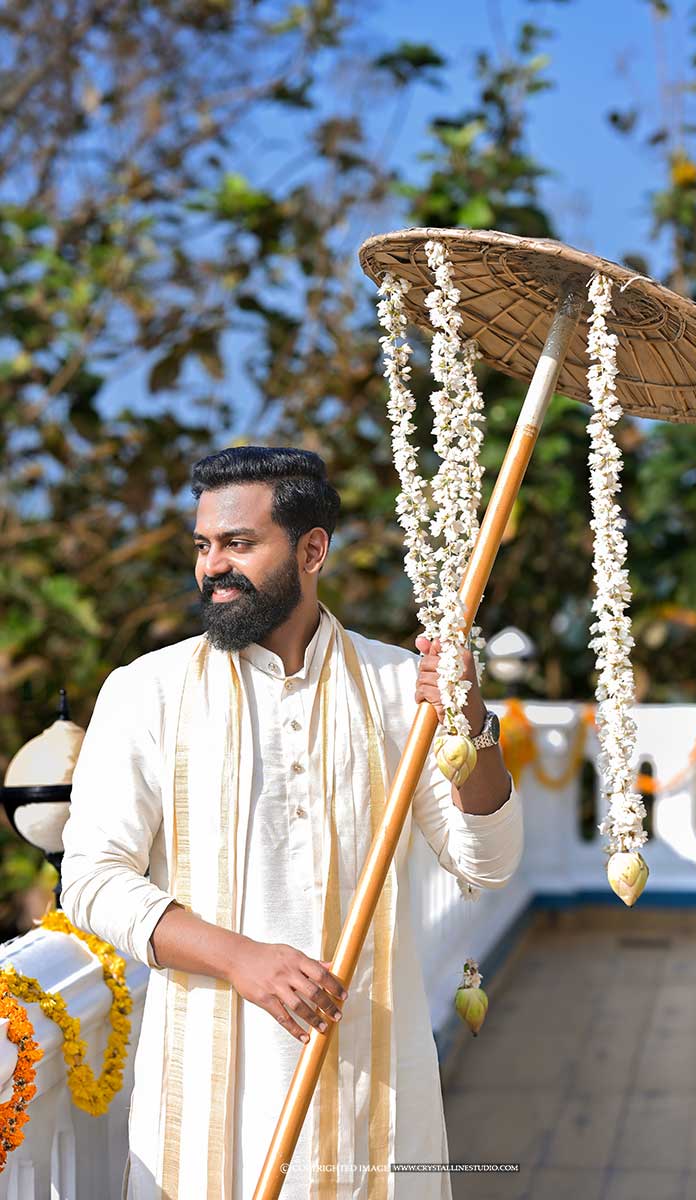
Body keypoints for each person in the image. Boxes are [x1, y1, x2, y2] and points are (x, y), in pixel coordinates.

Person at [60, 445, 524, 1200]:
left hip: (376, 1088)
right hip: (214, 1095)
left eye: (239, 543)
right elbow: (88, 880)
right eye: (205, 546)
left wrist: (471, 718)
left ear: (313, 550)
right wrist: (241, 958)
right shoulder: (147, 690)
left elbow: (488, 860)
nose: (214, 566)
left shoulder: (400, 684)